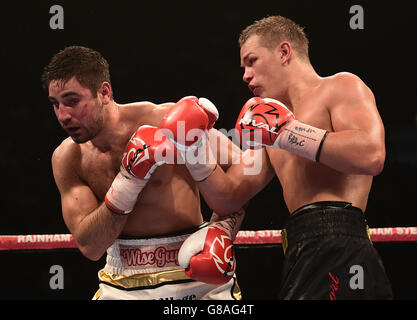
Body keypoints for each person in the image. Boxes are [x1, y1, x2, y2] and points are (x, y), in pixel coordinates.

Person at [164, 15, 393, 299]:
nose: (245, 75)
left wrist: (289, 132)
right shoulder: (267, 131)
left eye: (252, 61)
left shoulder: (340, 87)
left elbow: (372, 155)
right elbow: (229, 197)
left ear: (284, 52)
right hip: (298, 250)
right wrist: (193, 149)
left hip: (340, 244)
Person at [41, 46, 244, 300]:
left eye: (72, 101)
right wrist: (129, 180)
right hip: (120, 282)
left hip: (195, 273)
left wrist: (222, 230)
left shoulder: (166, 120)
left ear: (104, 92)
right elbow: (90, 247)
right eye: (55, 104)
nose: (63, 115)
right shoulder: (67, 158)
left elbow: (244, 171)